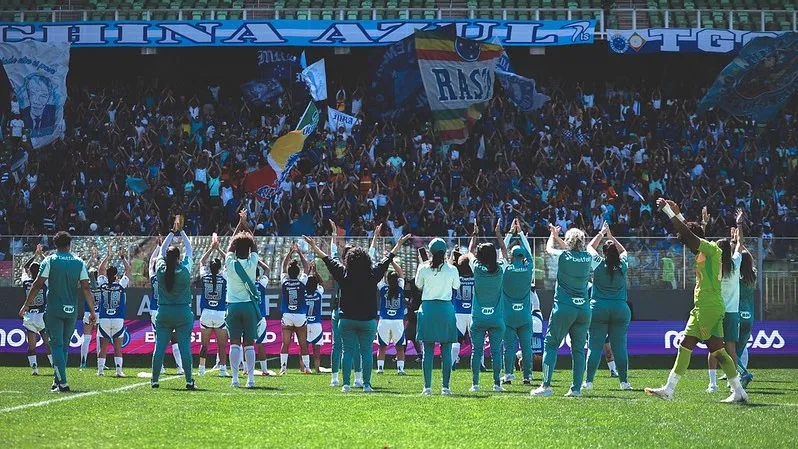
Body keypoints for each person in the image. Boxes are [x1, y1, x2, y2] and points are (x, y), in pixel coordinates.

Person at [645, 198, 748, 403]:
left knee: (702, 348)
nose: (684, 243)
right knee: (714, 350)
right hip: (708, 305)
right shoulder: (707, 250)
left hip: (707, 306)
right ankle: (738, 391)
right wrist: (679, 214)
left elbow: (690, 236)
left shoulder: (709, 249)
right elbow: (690, 235)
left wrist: (668, 211)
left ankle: (670, 388)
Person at [304, 233, 411, 393]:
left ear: (349, 260)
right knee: (366, 351)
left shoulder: (343, 272)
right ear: (366, 260)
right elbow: (388, 259)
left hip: (346, 319)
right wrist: (399, 244)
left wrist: (313, 246)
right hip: (367, 320)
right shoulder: (373, 274)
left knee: (347, 350)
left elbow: (327, 259)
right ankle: (366, 384)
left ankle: (346, 384)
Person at [20, 231, 96, 392]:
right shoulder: (79, 262)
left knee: (56, 345)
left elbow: (37, 284)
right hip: (72, 310)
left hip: (54, 309)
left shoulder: (50, 260)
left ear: (55, 245)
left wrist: (26, 304)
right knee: (64, 347)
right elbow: (86, 288)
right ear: (70, 244)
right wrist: (93, 311)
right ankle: (57, 380)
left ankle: (63, 382)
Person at [531, 225, 592, 397]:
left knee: (551, 345)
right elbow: (572, 251)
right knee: (579, 350)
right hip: (583, 309)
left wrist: (552, 235)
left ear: (568, 242)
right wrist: (559, 237)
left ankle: (546, 386)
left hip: (564, 307)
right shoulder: (587, 257)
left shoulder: (564, 256)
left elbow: (550, 250)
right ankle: (576, 389)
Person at [583, 222, 632, 391]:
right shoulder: (623, 265)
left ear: (603, 253)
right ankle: (624, 382)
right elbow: (624, 251)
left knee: (595, 347)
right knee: (619, 347)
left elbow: (590, 246)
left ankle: (589, 382)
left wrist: (602, 234)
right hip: (620, 309)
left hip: (598, 309)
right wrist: (611, 236)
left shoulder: (597, 263)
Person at [151, 217, 196, 390]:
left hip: (163, 312)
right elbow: (190, 250)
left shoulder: (161, 269)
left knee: (160, 347)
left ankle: (155, 380)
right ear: (178, 257)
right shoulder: (184, 269)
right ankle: (189, 380)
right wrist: (181, 231)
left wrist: (171, 232)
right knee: (185, 347)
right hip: (183, 313)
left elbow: (162, 251)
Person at [415, 238, 460, 396]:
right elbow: (456, 286)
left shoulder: (423, 267)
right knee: (446, 351)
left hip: (428, 309)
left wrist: (424, 265)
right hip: (445, 309)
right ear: (445, 251)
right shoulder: (452, 269)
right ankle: (445, 387)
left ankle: (427, 388)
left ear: (430, 251)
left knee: (428, 351)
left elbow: (418, 285)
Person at [465, 222, 507, 392]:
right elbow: (504, 252)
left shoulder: (476, 268)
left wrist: (474, 235)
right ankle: (497, 384)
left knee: (477, 351)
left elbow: (469, 252)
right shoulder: (501, 269)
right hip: (496, 318)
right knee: (497, 352)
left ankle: (475, 385)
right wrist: (498, 233)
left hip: (478, 318)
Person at [225, 209, 262, 388]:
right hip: (248, 307)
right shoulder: (252, 263)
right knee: (249, 344)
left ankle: (234, 379)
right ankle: (251, 380)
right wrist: (245, 224)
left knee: (234, 344)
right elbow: (253, 244)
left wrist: (239, 223)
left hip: (232, 306)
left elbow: (231, 245)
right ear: (248, 250)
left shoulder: (229, 264)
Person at [707, 216, 744, 393]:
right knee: (731, 350)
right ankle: (732, 382)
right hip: (731, 313)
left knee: (713, 348)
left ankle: (712, 384)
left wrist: (705, 225)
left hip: (715, 311)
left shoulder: (713, 266)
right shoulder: (735, 263)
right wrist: (739, 226)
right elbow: (740, 246)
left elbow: (705, 250)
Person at [327, 220, 362, 387]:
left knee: (337, 345)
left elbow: (332, 252)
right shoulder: (362, 271)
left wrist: (334, 233)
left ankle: (335, 379)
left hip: (338, 310)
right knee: (354, 346)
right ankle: (357, 379)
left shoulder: (339, 268)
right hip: (353, 311)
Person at [501, 219, 535, 386]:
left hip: (508, 315)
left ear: (511, 256)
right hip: (524, 315)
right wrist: (521, 234)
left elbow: (501, 254)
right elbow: (529, 253)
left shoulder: (505, 268)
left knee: (508, 347)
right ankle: (527, 377)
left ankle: (507, 375)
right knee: (527, 347)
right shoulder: (528, 269)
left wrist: (509, 234)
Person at [148, 238, 184, 375]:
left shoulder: (154, 276)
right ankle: (180, 367)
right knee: (174, 338)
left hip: (155, 310)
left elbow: (152, 261)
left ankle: (160, 367)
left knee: (159, 339)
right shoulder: (170, 274)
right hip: (167, 307)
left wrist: (158, 247)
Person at [97, 246, 131, 378]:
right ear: (116, 275)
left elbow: (100, 269)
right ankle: (118, 371)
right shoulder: (120, 285)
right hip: (118, 319)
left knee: (103, 346)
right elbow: (128, 271)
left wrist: (108, 256)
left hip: (104, 318)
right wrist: (122, 258)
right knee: (118, 347)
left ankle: (100, 371)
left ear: (106, 275)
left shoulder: (102, 284)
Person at [198, 235, 229, 377]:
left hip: (206, 313)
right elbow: (229, 262)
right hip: (220, 313)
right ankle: (223, 370)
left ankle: (201, 369)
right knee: (221, 345)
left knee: (204, 345)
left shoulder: (205, 276)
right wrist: (219, 249)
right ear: (220, 267)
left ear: (210, 267)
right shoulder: (224, 277)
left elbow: (201, 261)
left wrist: (211, 249)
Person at [19, 244, 52, 375]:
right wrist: (41, 255)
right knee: (48, 343)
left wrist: (34, 255)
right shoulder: (43, 282)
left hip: (28, 316)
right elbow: (49, 267)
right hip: (41, 315)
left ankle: (34, 369)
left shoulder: (26, 281)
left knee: (31, 346)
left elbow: (24, 267)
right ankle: (54, 365)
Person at [279, 241, 310, 375]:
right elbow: (307, 268)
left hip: (287, 315)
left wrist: (290, 252)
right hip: (300, 315)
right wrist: (300, 253)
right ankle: (307, 368)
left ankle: (283, 368)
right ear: (298, 273)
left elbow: (283, 266)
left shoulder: (285, 281)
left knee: (285, 343)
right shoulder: (302, 281)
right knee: (303, 343)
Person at [376, 259, 407, 375]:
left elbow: (379, 274)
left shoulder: (383, 288)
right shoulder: (400, 288)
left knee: (382, 346)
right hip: (397, 321)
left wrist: (386, 262)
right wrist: (393, 262)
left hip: (384, 321)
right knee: (399, 347)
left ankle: (380, 369)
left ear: (388, 280)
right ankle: (400, 369)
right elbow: (401, 273)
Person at [451, 249, 474, 371]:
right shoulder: (475, 278)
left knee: (457, 339)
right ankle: (479, 364)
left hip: (458, 312)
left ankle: (453, 361)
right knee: (476, 340)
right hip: (472, 312)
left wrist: (453, 254)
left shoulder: (456, 278)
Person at [736, 250, 756, 387]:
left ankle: (743, 373)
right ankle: (737, 380)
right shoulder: (753, 275)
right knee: (739, 350)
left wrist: (737, 244)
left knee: (727, 351)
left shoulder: (735, 275)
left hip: (736, 315)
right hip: (749, 316)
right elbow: (750, 260)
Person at [80, 246, 101, 369]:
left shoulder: (85, 284)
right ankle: (100, 362)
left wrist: (91, 259)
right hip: (99, 313)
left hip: (88, 313)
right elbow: (104, 269)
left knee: (86, 338)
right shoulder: (103, 284)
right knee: (99, 337)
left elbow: (83, 268)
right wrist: (97, 258)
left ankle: (83, 362)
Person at [304, 262, 326, 373]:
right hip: (316, 323)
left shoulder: (303, 294)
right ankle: (317, 368)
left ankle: (303, 367)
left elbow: (303, 282)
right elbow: (321, 282)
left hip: (305, 323)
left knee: (304, 347)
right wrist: (315, 271)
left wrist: (309, 271)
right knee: (316, 348)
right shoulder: (318, 293)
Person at [255, 263, 273, 376]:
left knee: (247, 343)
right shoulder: (261, 283)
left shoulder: (244, 284)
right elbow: (267, 269)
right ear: (258, 275)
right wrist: (257, 260)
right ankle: (264, 370)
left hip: (248, 316)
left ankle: (246, 369)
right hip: (260, 317)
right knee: (260, 344)